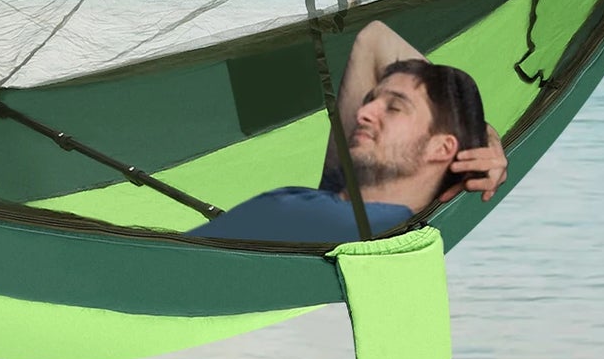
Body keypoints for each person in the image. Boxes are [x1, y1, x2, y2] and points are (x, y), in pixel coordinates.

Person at [199, 20, 507, 244]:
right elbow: (373, 39)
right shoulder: (345, 202)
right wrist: (478, 135)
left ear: (441, 148)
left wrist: (472, 133)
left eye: (395, 108)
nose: (363, 112)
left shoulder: (346, 225)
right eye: (371, 99)